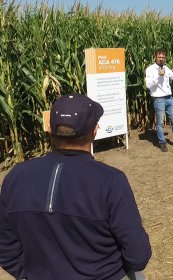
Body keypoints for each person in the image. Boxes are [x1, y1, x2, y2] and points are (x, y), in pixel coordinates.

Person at [0, 93, 151, 279]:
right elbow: (138, 255)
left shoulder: (16, 176)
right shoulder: (111, 181)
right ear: (95, 131)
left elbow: (4, 245)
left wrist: (26, 274)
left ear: (50, 128)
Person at [145, 49, 173, 152]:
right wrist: (158, 75)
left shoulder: (166, 68)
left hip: (169, 98)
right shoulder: (150, 69)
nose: (161, 59)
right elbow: (148, 85)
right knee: (160, 123)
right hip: (158, 99)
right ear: (155, 57)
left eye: (163, 57)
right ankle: (162, 142)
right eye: (159, 57)